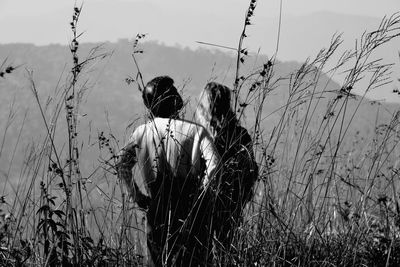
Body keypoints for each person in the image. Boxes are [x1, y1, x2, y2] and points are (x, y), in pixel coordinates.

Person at [116, 76, 220, 266]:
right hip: (190, 209)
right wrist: (201, 195)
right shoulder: (196, 131)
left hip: (156, 208)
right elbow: (214, 165)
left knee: (158, 260)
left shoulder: (140, 133)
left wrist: (136, 195)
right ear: (175, 101)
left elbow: (122, 165)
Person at [196, 82, 258, 253]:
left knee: (203, 251)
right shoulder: (240, 135)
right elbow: (252, 171)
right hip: (233, 202)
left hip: (202, 203)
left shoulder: (198, 135)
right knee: (228, 249)